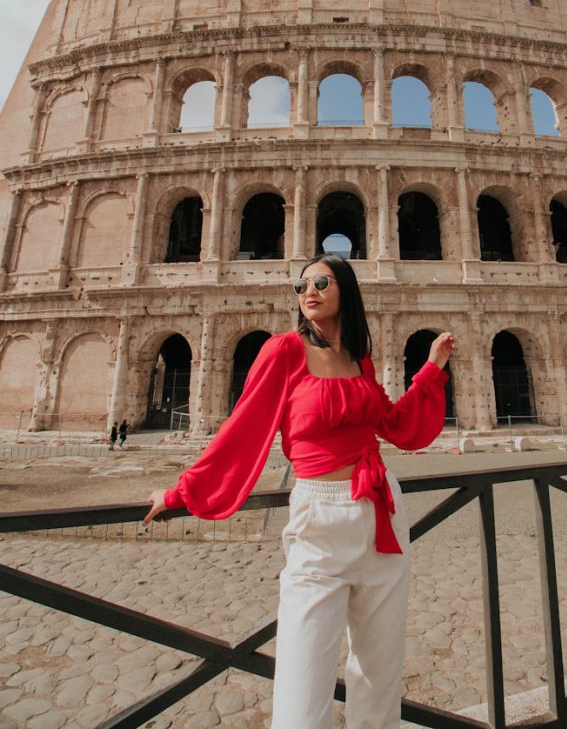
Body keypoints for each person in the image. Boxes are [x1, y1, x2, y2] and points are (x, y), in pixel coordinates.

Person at [144, 253, 454, 729]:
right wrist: (182, 491)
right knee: (302, 683)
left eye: (321, 281)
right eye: (301, 285)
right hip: (319, 517)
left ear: (345, 290)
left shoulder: (358, 357)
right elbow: (242, 427)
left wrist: (431, 371)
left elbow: (396, 425)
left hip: (381, 514)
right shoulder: (284, 351)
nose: (308, 291)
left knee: (380, 672)